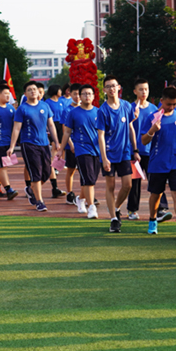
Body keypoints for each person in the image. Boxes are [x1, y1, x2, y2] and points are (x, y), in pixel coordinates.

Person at [142, 86, 176, 239]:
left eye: (174, 104)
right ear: (161, 101)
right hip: (157, 163)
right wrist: (152, 130)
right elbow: (144, 140)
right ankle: (152, 220)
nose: (171, 107)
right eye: (168, 104)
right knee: (156, 195)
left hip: (175, 162)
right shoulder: (153, 117)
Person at [8, 80, 60, 212]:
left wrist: (57, 141)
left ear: (39, 92)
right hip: (29, 144)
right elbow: (16, 129)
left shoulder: (45, 106)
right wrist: (12, 146)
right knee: (36, 173)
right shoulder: (22, 108)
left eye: (35, 89)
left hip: (44, 144)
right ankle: (40, 201)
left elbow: (51, 125)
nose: (33, 91)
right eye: (29, 90)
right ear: (25, 93)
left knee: (47, 172)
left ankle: (31, 189)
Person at [97, 75, 138, 233]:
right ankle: (114, 219)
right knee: (111, 186)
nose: (112, 88)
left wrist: (135, 149)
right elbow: (100, 135)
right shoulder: (103, 110)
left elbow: (130, 128)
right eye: (108, 86)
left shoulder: (126, 106)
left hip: (125, 153)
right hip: (109, 154)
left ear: (119, 87)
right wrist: (104, 158)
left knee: (127, 185)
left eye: (114, 85)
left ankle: (116, 208)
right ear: (104, 90)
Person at [58, 84, 100, 219]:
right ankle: (91, 207)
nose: (87, 96)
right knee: (88, 180)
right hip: (81, 149)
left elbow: (103, 133)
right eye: (84, 94)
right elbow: (67, 132)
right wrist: (60, 149)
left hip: (97, 150)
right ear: (80, 96)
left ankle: (80, 199)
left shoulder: (98, 112)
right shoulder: (73, 113)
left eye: (89, 94)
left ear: (93, 96)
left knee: (92, 179)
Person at [126, 79, 159, 221]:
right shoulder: (130, 108)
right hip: (135, 151)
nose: (143, 92)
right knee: (135, 183)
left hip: (151, 151)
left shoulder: (154, 109)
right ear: (135, 91)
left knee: (156, 180)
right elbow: (127, 128)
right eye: (140, 89)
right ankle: (132, 210)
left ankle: (160, 209)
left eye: (146, 89)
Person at [0, 84, 18, 200]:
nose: (8, 96)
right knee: (2, 167)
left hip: (8, 142)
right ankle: (8, 189)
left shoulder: (11, 108)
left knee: (2, 166)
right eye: (5, 94)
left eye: (9, 94)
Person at [61, 83, 81, 205]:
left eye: (80, 94)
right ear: (70, 94)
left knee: (85, 170)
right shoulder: (67, 110)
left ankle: (87, 194)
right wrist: (71, 143)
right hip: (72, 146)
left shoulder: (88, 108)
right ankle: (70, 193)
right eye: (75, 94)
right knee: (71, 170)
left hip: (84, 145)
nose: (78, 96)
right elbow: (65, 130)